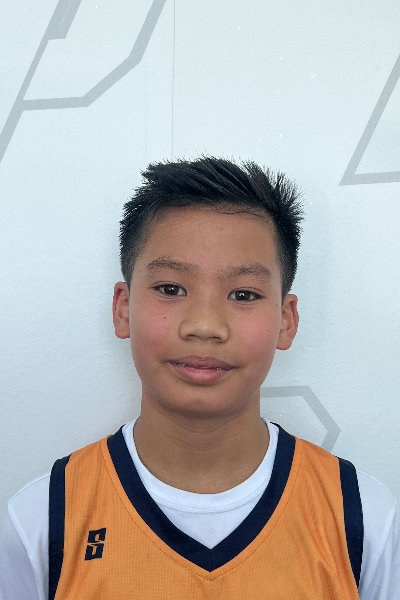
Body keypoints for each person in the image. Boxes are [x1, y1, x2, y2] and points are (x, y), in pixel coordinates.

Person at [0, 156, 399, 599]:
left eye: (243, 294)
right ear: (123, 308)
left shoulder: (363, 519)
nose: (205, 325)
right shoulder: (41, 521)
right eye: (170, 289)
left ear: (286, 321)